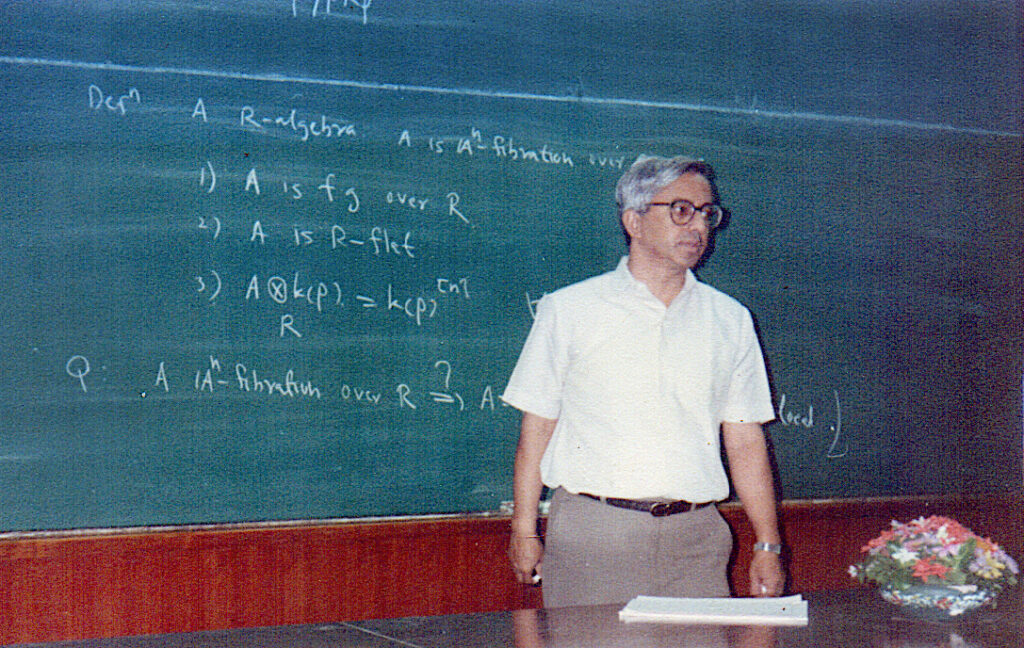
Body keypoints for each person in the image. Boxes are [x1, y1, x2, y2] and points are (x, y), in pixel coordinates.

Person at [501, 155, 785, 607]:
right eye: (680, 210)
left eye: (707, 213)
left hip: (697, 540)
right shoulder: (569, 310)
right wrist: (524, 529)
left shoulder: (730, 320)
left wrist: (767, 544)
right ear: (633, 221)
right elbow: (536, 430)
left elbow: (746, 441)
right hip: (595, 535)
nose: (697, 226)